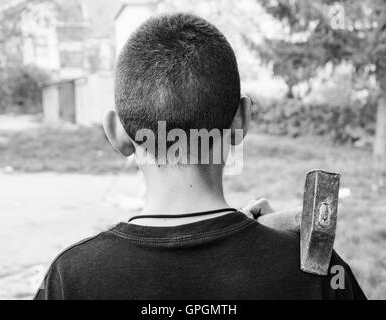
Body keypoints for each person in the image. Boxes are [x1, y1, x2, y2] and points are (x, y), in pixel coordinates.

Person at [35, 13, 366, 300]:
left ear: (116, 132)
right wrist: (274, 248)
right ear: (241, 120)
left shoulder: (71, 278)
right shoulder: (316, 269)